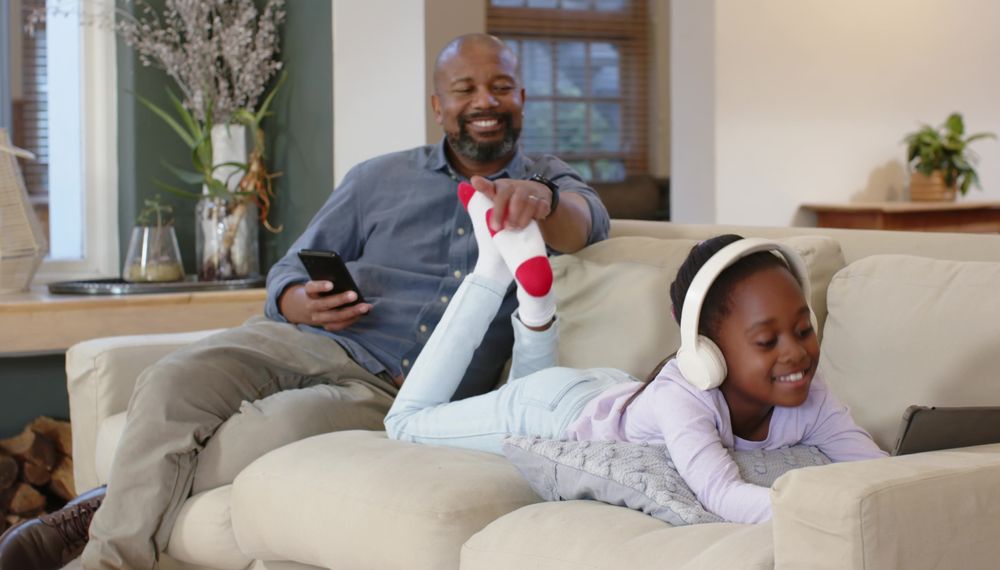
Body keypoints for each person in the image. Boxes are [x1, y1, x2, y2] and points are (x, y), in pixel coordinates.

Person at [0, 33, 609, 570]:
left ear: (521, 99)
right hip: (307, 337)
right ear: (437, 105)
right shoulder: (378, 178)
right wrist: (299, 300)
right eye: (465, 88)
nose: (484, 101)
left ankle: (100, 523)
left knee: (263, 434)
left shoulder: (551, 183)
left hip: (395, 388)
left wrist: (539, 201)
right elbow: (289, 269)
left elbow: (584, 225)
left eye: (501, 86)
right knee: (172, 379)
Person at [384, 185, 886, 524]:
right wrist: (827, 512)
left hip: (609, 390)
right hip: (554, 411)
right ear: (705, 348)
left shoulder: (811, 396)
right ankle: (493, 271)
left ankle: (535, 298)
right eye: (767, 340)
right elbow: (723, 496)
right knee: (404, 422)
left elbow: (874, 468)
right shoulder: (685, 400)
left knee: (521, 384)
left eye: (803, 329)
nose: (796, 353)